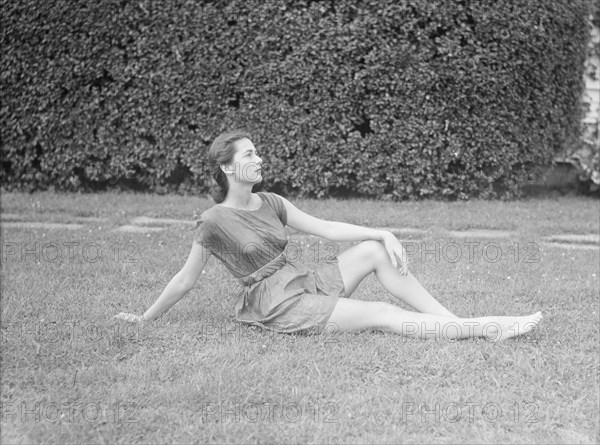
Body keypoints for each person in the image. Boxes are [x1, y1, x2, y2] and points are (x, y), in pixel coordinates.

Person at [115, 130, 543, 342]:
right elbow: (186, 278)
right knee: (377, 312)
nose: (259, 158)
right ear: (228, 168)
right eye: (250, 155)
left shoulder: (271, 201)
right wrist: (145, 318)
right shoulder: (211, 221)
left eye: (257, 152)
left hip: (302, 281)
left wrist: (383, 230)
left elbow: (328, 229)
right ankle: (485, 328)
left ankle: (454, 322)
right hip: (275, 304)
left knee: (374, 250)